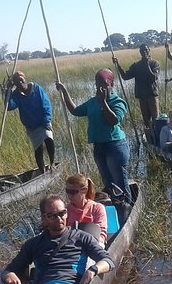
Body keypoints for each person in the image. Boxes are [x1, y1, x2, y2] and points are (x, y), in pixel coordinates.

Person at [56, 69, 132, 202]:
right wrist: (64, 91)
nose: (100, 89)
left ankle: (127, 208)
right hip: (99, 146)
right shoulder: (92, 102)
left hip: (115, 147)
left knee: (120, 183)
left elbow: (113, 120)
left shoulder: (118, 102)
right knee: (108, 184)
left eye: (104, 85)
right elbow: (75, 111)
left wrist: (103, 103)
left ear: (111, 84)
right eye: (97, 85)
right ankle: (114, 208)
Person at [4, 71, 55, 172]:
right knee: (38, 149)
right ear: (15, 84)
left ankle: (52, 164)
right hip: (31, 127)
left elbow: (46, 104)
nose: (20, 83)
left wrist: (47, 121)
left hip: (43, 123)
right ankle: (42, 171)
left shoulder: (36, 88)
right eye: (17, 82)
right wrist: (8, 90)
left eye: (21, 80)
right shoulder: (16, 94)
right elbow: (9, 106)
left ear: (25, 79)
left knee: (49, 140)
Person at [112, 44, 160, 136]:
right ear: (140, 52)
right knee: (146, 121)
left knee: (156, 120)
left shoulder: (154, 63)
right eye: (142, 50)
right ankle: (150, 139)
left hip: (152, 96)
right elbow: (125, 77)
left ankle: (158, 138)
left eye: (146, 50)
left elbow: (153, 78)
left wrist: (146, 64)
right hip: (142, 97)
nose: (144, 52)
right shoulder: (136, 66)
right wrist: (118, 65)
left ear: (149, 50)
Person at [65, 174, 108, 247]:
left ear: (84, 190)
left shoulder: (97, 208)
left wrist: (97, 245)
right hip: (72, 247)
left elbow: (101, 232)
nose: (69, 195)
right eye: (67, 191)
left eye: (73, 192)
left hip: (94, 244)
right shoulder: (66, 210)